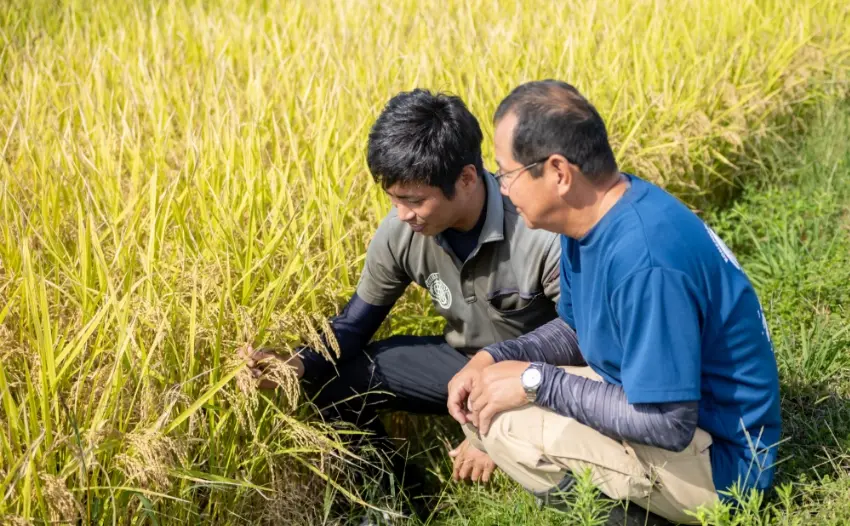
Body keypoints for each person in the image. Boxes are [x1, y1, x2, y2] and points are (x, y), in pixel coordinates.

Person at [447, 80, 782, 525]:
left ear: (559, 173)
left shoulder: (645, 260)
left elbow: (668, 423)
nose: (502, 189)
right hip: (670, 409)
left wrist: (534, 382)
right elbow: (576, 329)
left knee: (503, 425)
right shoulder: (594, 216)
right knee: (483, 396)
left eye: (506, 173)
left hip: (724, 466)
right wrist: (493, 357)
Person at [242, 88, 563, 517]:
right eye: (394, 199)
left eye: (414, 200)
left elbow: (584, 345)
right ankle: (405, 502)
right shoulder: (401, 233)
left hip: (540, 372)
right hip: (460, 362)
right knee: (333, 380)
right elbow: (354, 327)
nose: (402, 214)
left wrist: (491, 425)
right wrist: (295, 363)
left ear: (467, 178)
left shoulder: (537, 229)